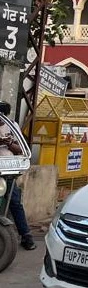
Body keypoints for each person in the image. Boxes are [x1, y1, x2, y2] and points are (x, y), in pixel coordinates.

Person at [0, 102, 35, 250]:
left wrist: (8, 143)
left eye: (2, 117)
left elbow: (20, 149)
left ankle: (26, 237)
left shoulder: (11, 126)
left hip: (7, 171)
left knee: (14, 201)